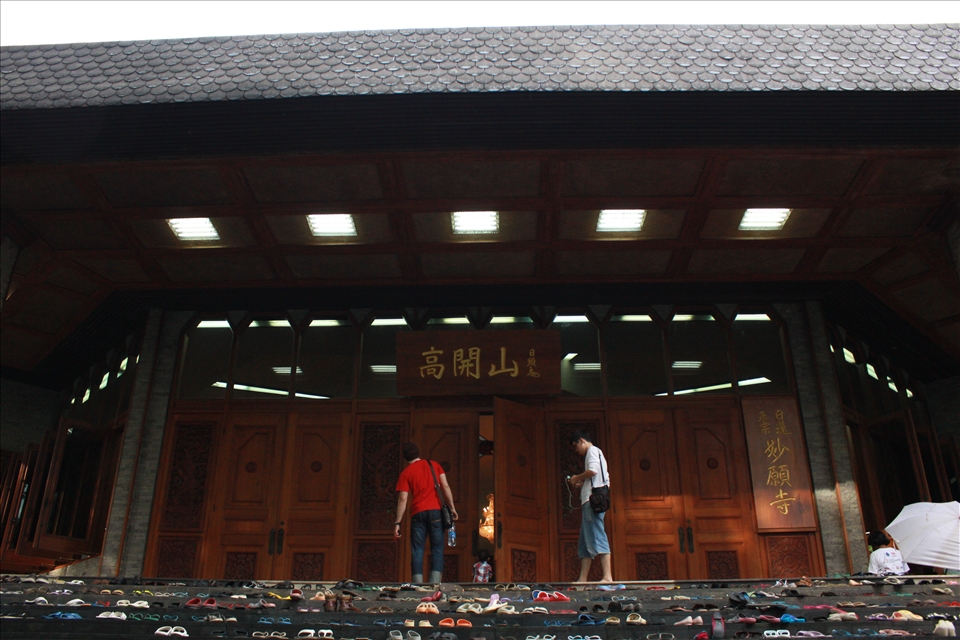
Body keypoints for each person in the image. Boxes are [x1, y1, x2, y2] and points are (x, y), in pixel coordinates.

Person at [394, 442, 459, 584]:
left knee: (417, 549)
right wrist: (452, 507)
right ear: (418, 453)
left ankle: (417, 585)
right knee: (437, 549)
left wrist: (398, 522)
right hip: (436, 512)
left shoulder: (406, 473)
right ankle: (434, 584)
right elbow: (445, 486)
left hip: (418, 514)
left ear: (406, 457)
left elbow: (403, 499)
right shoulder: (434, 465)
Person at [567, 429, 613, 582]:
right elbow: (600, 477)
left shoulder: (592, 451)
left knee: (597, 534)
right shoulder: (598, 453)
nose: (576, 450)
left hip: (591, 502)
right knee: (585, 540)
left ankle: (607, 576)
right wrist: (583, 483)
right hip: (594, 499)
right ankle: (582, 578)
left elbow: (592, 471)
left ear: (581, 441)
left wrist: (577, 477)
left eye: (575, 446)